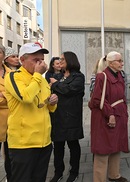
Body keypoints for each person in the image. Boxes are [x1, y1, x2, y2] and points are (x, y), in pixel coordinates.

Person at [4, 42, 58, 182]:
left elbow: (45, 106)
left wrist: (52, 102)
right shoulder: (14, 76)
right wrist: (38, 76)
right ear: (22, 60)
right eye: (36, 60)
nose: (40, 63)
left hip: (44, 141)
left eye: (41, 59)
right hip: (24, 144)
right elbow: (26, 97)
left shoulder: (40, 79)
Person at [88, 51, 129, 182]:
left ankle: (114, 174)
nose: (122, 63)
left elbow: (122, 96)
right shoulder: (102, 77)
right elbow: (97, 99)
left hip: (119, 115)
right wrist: (110, 113)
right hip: (104, 117)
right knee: (103, 149)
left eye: (122, 60)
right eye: (120, 61)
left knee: (116, 145)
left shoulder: (119, 75)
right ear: (111, 63)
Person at [49, 51, 85, 182]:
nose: (60, 61)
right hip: (57, 116)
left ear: (70, 60)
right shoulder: (57, 76)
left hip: (71, 117)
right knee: (58, 147)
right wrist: (55, 85)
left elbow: (69, 90)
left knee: (73, 145)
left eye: (63, 59)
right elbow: (53, 91)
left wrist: (55, 84)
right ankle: (58, 172)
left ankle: (73, 172)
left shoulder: (79, 77)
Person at [0, 44, 12, 181]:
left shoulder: (11, 73)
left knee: (10, 155)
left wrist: (4, 95)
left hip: (11, 119)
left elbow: (15, 96)